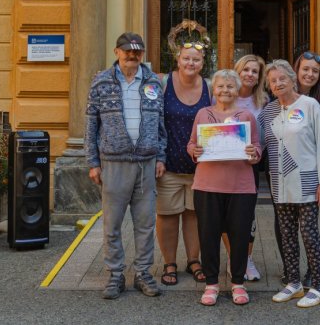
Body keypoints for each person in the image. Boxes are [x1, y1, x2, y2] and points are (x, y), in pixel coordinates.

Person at [85, 32, 166, 300]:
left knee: (145, 224)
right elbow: (90, 125)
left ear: (142, 54)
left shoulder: (154, 81)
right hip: (114, 162)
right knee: (112, 224)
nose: (132, 55)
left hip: (146, 163)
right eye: (127, 51)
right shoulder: (101, 82)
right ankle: (115, 274)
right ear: (117, 51)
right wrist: (93, 162)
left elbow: (161, 125)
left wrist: (161, 157)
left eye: (137, 52)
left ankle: (143, 273)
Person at [259, 59, 320, 308]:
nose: (278, 83)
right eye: (273, 81)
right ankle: (294, 283)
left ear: (292, 79)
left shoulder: (310, 105)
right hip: (280, 183)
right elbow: (258, 144)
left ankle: (319, 287)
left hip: (308, 182)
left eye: (282, 79)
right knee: (287, 234)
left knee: (309, 235)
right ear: (269, 86)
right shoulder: (268, 112)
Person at [187, 69, 262, 306]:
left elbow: (257, 148)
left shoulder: (247, 116)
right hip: (207, 185)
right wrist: (194, 151)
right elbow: (192, 143)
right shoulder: (203, 113)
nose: (225, 90)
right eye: (220, 86)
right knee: (208, 235)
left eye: (230, 86)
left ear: (237, 89)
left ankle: (238, 283)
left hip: (240, 186)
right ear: (213, 89)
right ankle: (211, 284)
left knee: (239, 236)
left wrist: (253, 154)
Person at [156, 42, 211, 286]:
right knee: (167, 215)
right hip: (167, 165)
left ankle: (193, 260)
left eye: (196, 60)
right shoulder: (162, 83)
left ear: (202, 63)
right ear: (178, 59)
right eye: (186, 58)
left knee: (194, 215)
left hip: (202, 167)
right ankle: (169, 263)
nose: (191, 63)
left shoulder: (209, 86)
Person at [222, 55, 269, 281]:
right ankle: (234, 259)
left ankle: (247, 259)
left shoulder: (264, 102)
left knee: (246, 216)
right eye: (246, 70)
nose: (249, 74)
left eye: (254, 71)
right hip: (223, 165)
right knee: (224, 215)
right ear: (237, 72)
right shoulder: (221, 96)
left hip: (249, 166)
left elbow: (267, 136)